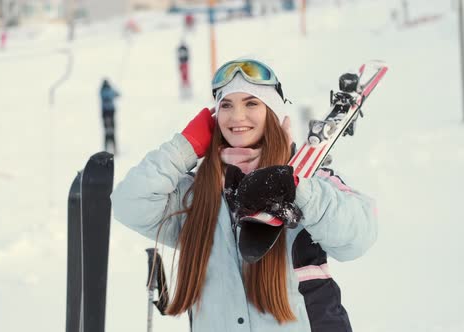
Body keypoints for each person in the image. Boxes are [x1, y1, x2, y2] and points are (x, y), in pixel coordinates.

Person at [111, 58, 377, 331]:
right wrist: (185, 147)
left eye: (251, 103)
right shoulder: (198, 194)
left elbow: (358, 237)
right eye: (226, 105)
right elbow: (129, 203)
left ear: (271, 112)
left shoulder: (311, 181)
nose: (237, 116)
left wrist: (297, 189)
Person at [100, 79, 120, 154]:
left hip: (108, 113)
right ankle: (109, 149)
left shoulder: (104, 90)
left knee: (110, 132)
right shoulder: (106, 91)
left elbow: (118, 94)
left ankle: (112, 149)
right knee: (109, 132)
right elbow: (115, 94)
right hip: (107, 113)